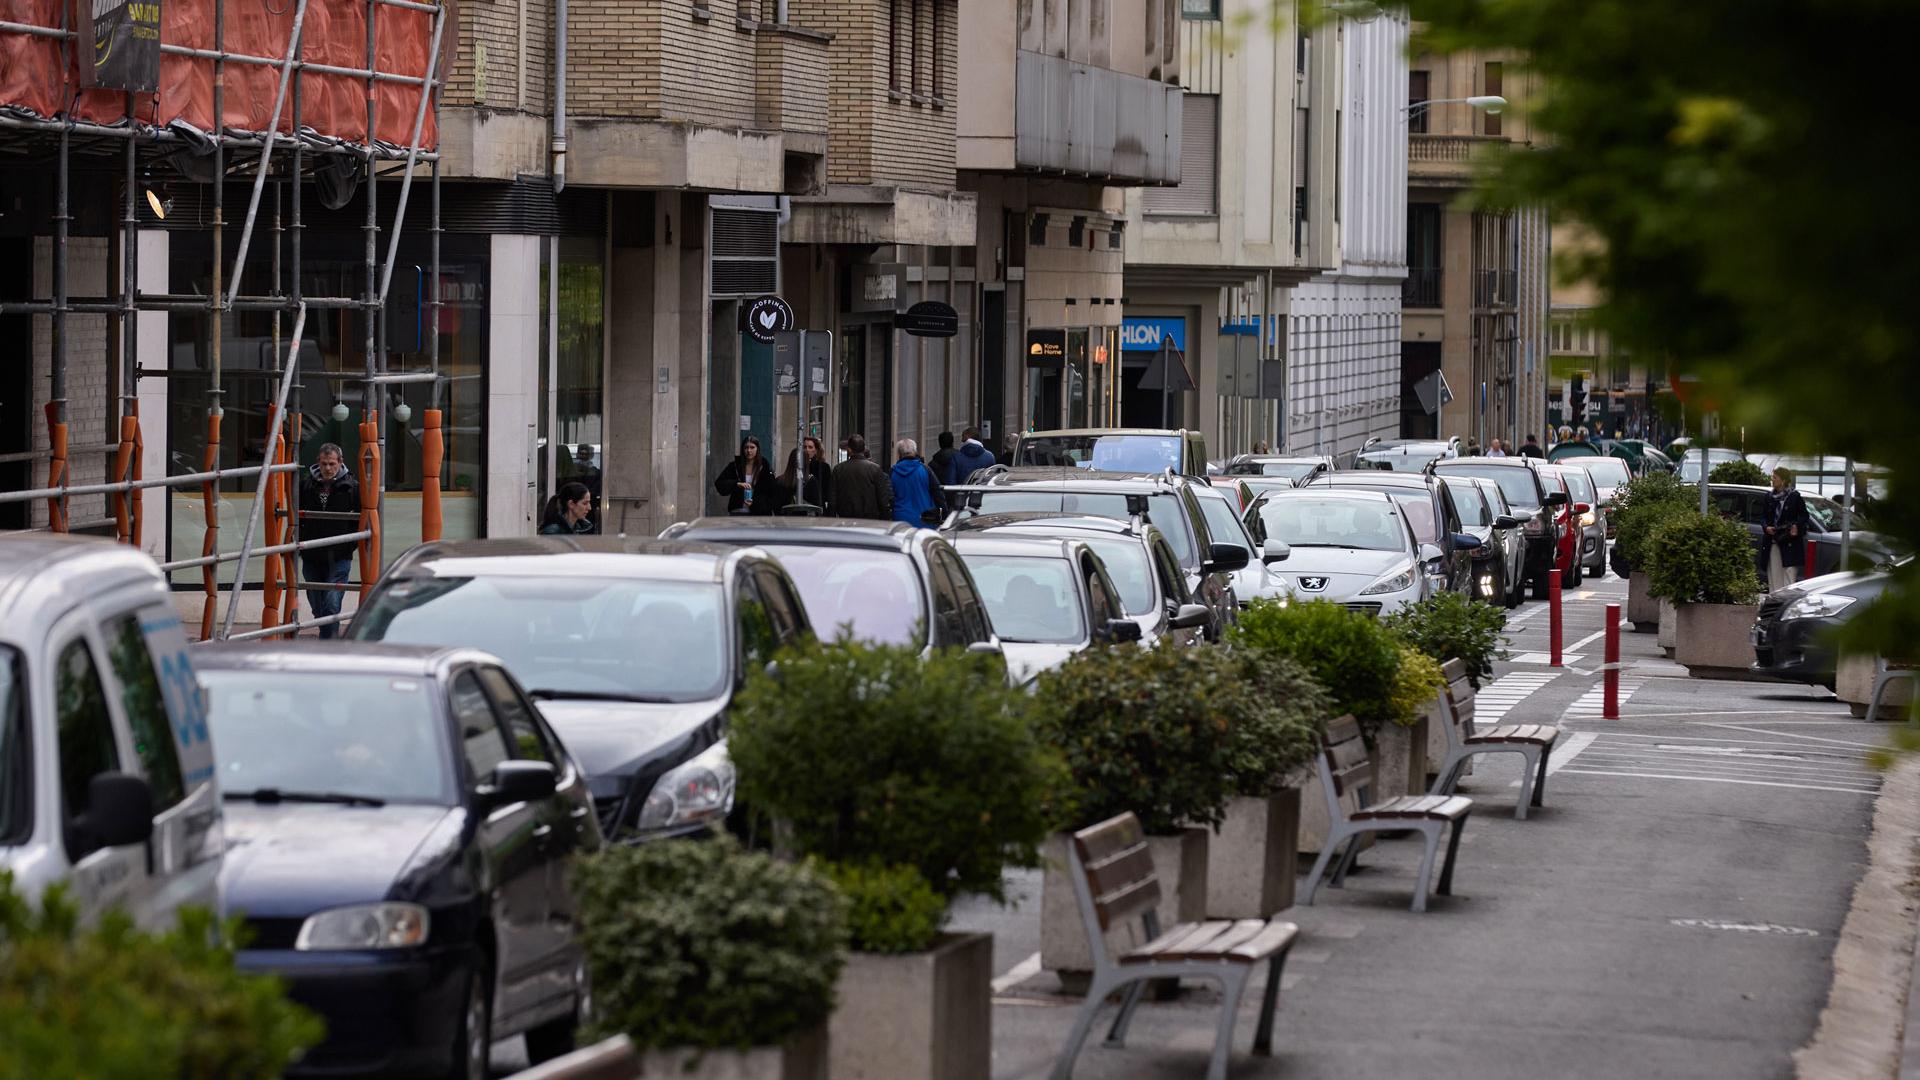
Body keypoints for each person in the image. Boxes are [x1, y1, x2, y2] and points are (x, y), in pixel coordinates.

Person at [299, 443, 361, 640]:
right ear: (318, 462)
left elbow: (362, 519)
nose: (327, 468)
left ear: (340, 463)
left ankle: (328, 642)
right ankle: (325, 632)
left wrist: (349, 545)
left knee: (332, 602)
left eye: (332, 463)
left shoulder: (352, 487)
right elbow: (297, 517)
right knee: (317, 602)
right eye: (324, 463)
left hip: (339, 554)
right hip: (312, 553)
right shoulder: (306, 486)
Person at [1760, 466, 1810, 591]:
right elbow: (1763, 517)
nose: (1772, 480)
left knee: (1789, 575)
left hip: (1789, 542)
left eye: (1775, 477)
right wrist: (1766, 527)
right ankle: (1775, 603)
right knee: (1774, 575)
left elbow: (1804, 516)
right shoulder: (1769, 497)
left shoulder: (1794, 497)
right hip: (1773, 540)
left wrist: (1796, 526)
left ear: (1783, 480)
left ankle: (1787, 604)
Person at [828, 434, 891, 519]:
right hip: (870, 520)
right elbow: (883, 499)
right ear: (863, 448)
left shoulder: (838, 469)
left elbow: (832, 499)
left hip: (846, 519)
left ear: (849, 450)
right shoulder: (875, 469)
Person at [713, 435, 776, 515]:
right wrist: (737, 484)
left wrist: (755, 504)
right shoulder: (735, 466)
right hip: (738, 512)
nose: (749, 451)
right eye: (746, 447)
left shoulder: (765, 468)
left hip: (759, 514)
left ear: (757, 449)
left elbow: (771, 494)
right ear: (742, 449)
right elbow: (720, 484)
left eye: (752, 447)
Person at [890, 439, 943, 528]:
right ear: (915, 452)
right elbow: (937, 493)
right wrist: (943, 513)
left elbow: (889, 496)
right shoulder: (925, 469)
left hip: (901, 520)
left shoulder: (892, 472)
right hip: (925, 518)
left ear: (899, 454)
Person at [777, 435, 832, 510]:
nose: (807, 450)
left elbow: (826, 490)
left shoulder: (822, 467)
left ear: (816, 450)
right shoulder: (792, 472)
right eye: (804, 447)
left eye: (810, 447)